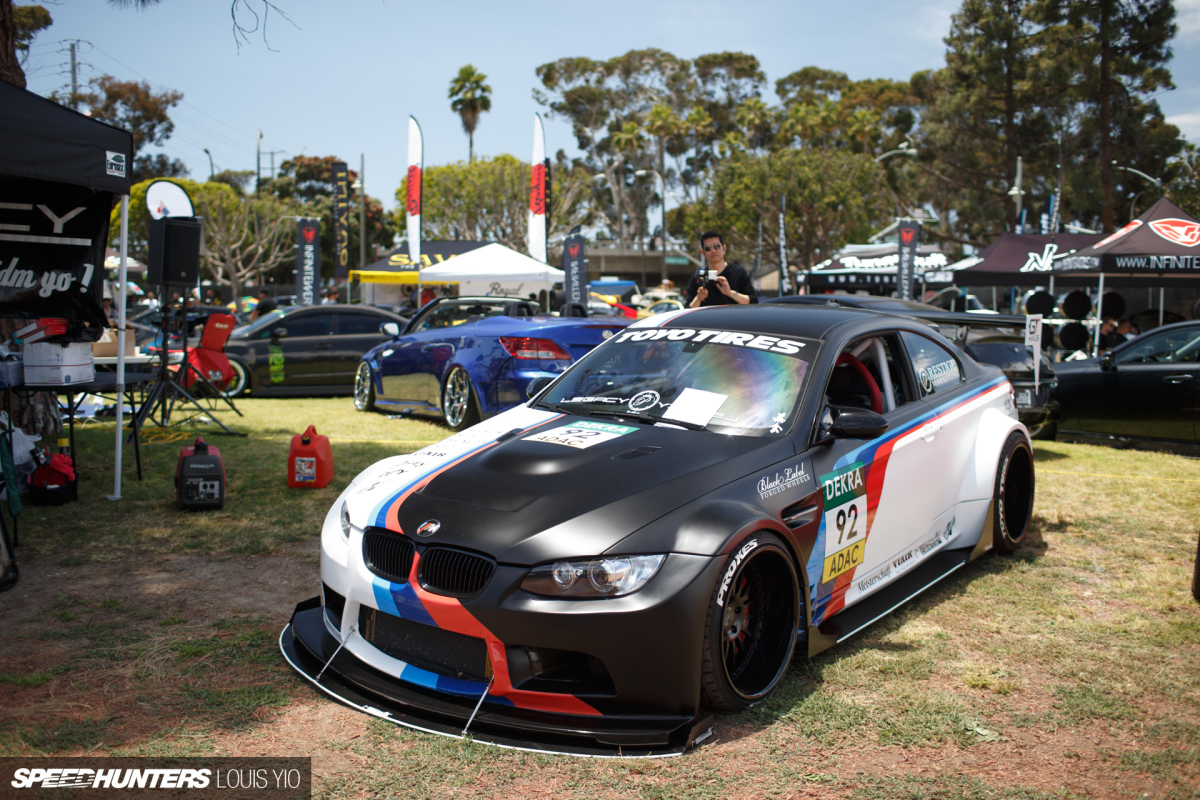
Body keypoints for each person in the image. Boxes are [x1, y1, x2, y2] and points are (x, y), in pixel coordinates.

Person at [684, 231, 758, 308]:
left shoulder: (739, 272)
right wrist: (699, 298)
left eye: (717, 246)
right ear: (703, 252)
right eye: (708, 248)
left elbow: (754, 302)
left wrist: (730, 293)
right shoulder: (697, 277)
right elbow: (687, 310)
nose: (713, 251)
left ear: (724, 248)